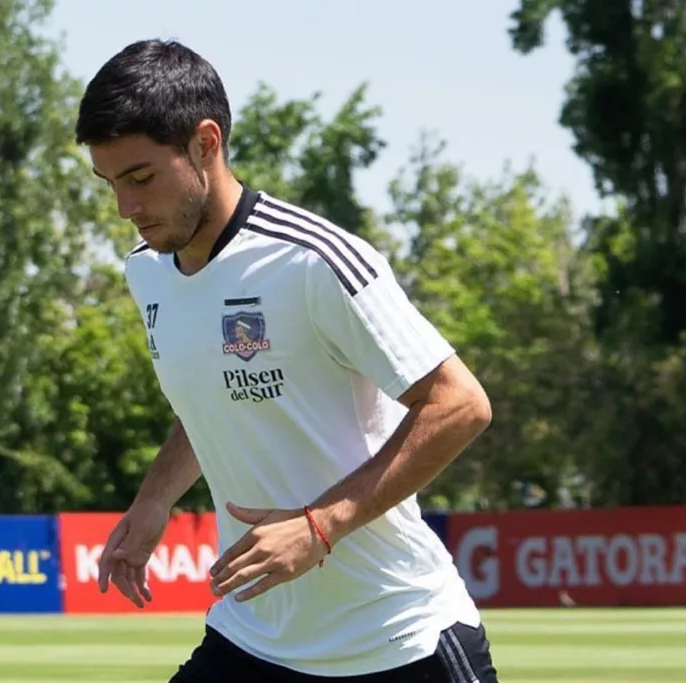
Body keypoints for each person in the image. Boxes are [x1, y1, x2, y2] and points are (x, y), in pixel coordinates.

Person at [75, 38, 500, 683]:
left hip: (396, 641)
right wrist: (152, 502)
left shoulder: (313, 259)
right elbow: (213, 397)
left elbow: (460, 404)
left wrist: (319, 527)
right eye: (111, 184)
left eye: (140, 179)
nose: (125, 209)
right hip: (253, 638)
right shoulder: (147, 274)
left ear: (205, 143)